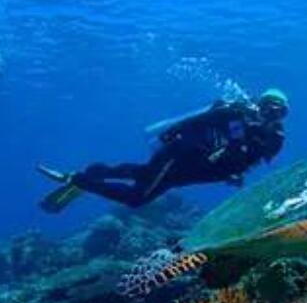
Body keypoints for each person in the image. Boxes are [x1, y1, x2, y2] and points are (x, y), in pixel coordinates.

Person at [37, 89, 289, 213]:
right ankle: (77, 179)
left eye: (279, 112)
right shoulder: (235, 114)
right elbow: (196, 122)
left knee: (142, 176)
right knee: (136, 198)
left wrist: (235, 173)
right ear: (258, 104)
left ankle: (96, 171)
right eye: (268, 107)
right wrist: (171, 134)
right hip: (179, 154)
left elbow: (247, 160)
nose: (271, 114)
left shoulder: (274, 139)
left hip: (192, 171)